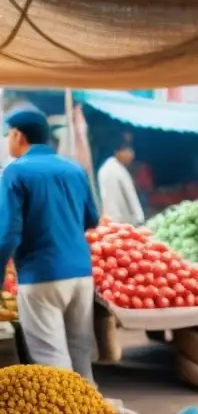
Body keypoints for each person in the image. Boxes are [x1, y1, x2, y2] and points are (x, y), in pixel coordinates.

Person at [0, 108, 99, 379]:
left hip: (40, 276)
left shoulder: (15, 172)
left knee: (53, 364)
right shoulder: (75, 169)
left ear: (18, 135)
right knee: (80, 356)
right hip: (81, 274)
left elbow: (7, 233)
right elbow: (92, 218)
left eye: (8, 134)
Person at [97, 137, 145, 225]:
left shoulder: (114, 167)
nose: (132, 155)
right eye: (129, 151)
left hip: (115, 221)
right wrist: (139, 218)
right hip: (119, 221)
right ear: (118, 152)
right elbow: (129, 197)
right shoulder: (114, 169)